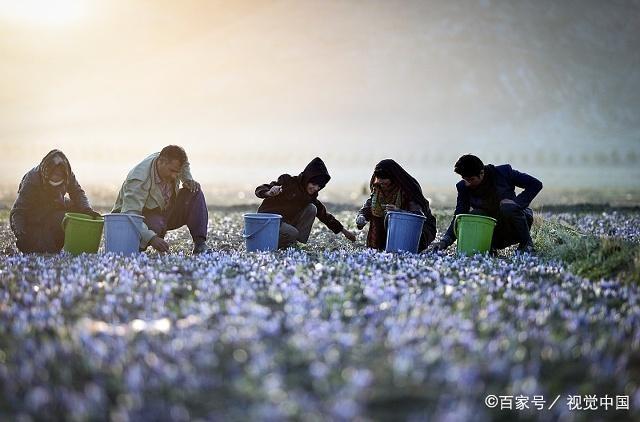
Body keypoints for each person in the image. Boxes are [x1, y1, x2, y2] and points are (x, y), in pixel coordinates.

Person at [432, 154, 543, 254]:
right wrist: (444, 241)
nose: (467, 183)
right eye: (464, 179)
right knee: (474, 214)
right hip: (493, 233)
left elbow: (535, 184)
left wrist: (516, 203)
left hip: (515, 225)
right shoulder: (463, 187)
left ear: (482, 173)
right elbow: (458, 217)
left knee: (507, 206)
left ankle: (527, 245)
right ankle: (488, 247)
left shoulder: (503, 173)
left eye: (471, 179)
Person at [111, 145, 210, 254]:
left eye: (177, 172)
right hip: (137, 220)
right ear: (161, 162)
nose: (174, 176)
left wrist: (188, 179)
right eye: (172, 171)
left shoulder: (172, 163)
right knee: (156, 223)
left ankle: (200, 244)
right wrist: (151, 238)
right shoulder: (138, 179)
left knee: (194, 192)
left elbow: (184, 164)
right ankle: (138, 247)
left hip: (165, 210)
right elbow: (130, 215)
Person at [255, 157, 357, 249]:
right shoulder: (287, 181)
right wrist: (269, 192)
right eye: (313, 184)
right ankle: (269, 245)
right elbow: (259, 189)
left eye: (319, 186)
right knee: (292, 233)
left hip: (283, 223)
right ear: (307, 178)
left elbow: (324, 215)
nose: (316, 188)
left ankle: (296, 244)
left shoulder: (311, 196)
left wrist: (344, 232)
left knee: (312, 208)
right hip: (267, 221)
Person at [10, 149, 100, 253]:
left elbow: (77, 193)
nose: (56, 178)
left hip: (55, 207)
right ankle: (39, 242)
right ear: (47, 172)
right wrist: (20, 233)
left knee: (78, 212)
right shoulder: (32, 179)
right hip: (34, 217)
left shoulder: (67, 173)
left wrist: (87, 210)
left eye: (59, 176)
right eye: (53, 176)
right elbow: (18, 211)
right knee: (40, 246)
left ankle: (63, 242)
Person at [355, 159, 437, 252]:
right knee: (376, 214)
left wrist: (399, 212)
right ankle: (378, 248)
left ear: (393, 177)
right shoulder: (378, 188)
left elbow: (418, 216)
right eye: (379, 178)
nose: (381, 182)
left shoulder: (407, 189)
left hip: (413, 231)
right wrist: (361, 217)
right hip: (390, 230)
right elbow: (369, 205)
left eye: (384, 179)